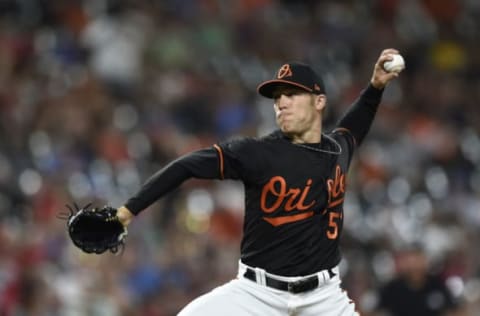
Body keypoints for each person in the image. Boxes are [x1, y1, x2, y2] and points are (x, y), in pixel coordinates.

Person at [115, 48, 401, 315]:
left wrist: (376, 87)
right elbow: (186, 166)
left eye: (292, 94)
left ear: (319, 102)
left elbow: (356, 123)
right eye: (278, 98)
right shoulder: (257, 153)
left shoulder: (338, 149)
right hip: (256, 293)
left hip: (324, 298)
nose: (281, 103)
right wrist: (128, 211)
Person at [374, 245, 461, 316]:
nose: (415, 266)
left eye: (419, 260)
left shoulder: (438, 285)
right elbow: (378, 311)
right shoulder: (393, 288)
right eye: (412, 262)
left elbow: (453, 310)